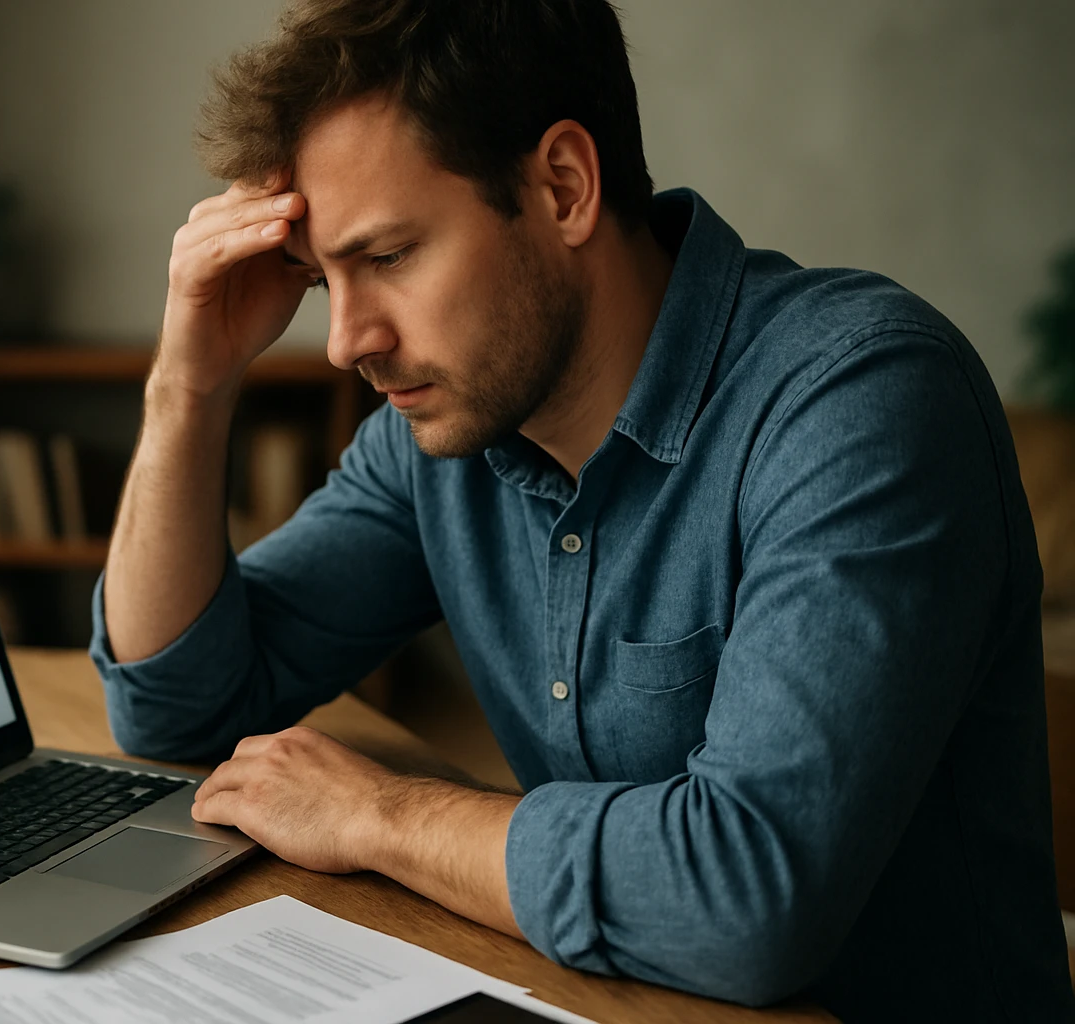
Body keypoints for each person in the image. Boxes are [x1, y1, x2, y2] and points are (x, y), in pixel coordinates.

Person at [90, 1, 1075, 1019]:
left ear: (563, 186)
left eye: (386, 258)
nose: (345, 340)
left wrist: (380, 815)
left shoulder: (861, 402)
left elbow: (746, 899)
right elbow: (175, 704)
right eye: (316, 276)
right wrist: (188, 387)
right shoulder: (448, 431)